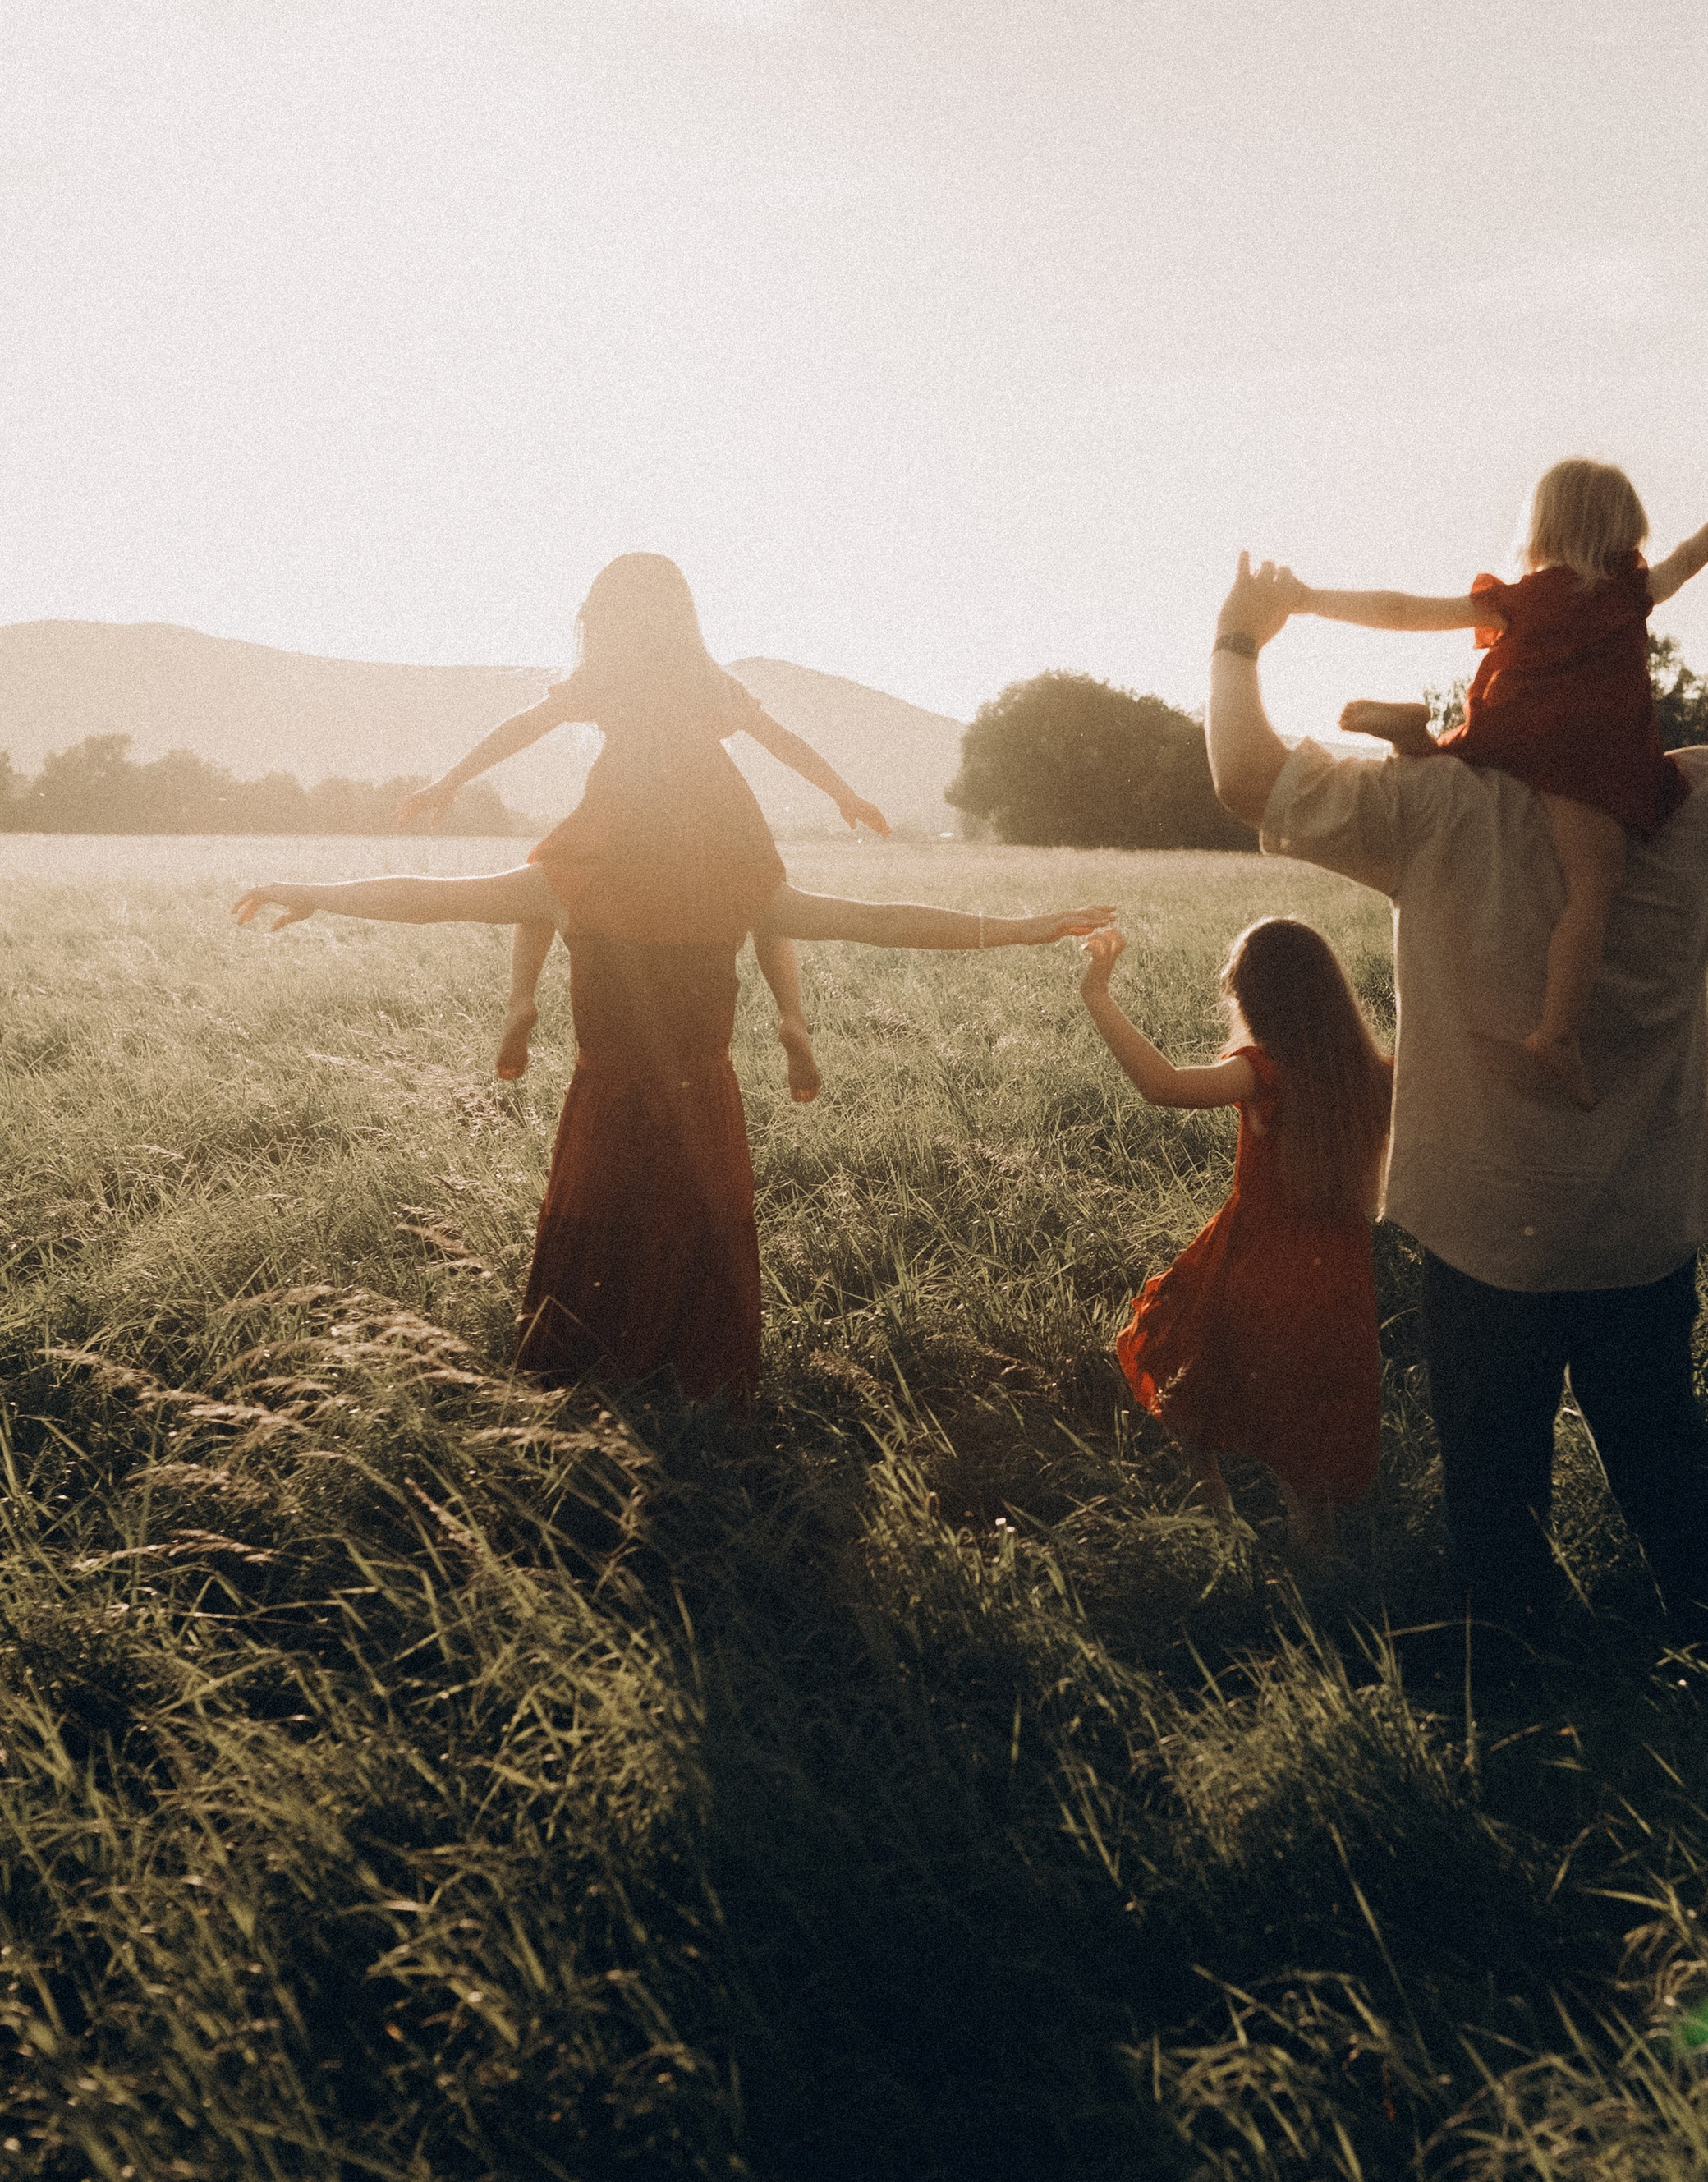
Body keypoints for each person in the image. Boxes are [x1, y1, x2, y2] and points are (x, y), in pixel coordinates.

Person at [1205, 503, 1708, 1664]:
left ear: (1504, 659)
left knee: (1492, 1491)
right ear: (1633, 655)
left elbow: (1246, 775)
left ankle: (1509, 1677)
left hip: (1479, 1231)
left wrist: (1240, 642)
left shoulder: (1431, 812)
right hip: (1640, 1227)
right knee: (1665, 1466)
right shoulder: (1687, 805)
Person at [235, 852, 1109, 1411]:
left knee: (604, 1231)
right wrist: (1024, 929)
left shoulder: (579, 875)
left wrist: (319, 892)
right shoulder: (717, 877)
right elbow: (877, 919)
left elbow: (438, 898)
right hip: (696, 1089)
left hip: (613, 1090)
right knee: (694, 1230)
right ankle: (686, 1392)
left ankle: (594, 1390)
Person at [1277, 460, 1708, 1107]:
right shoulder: (1629, 589)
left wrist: (1312, 600)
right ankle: (1557, 1033)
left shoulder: (1518, 600)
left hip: (1509, 735)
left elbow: (1404, 610)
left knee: (1456, 770)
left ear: (1541, 527)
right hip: (1584, 758)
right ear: (1627, 530)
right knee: (1593, 889)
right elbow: (1683, 562)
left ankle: (1413, 737)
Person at [397, 552, 892, 1099]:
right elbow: (783, 742)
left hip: (625, 803)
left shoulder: (605, 676)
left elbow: (523, 728)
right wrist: (845, 794)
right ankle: (792, 1018)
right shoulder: (710, 679)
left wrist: (450, 781)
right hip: (715, 812)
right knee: (759, 897)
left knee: (552, 879)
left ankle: (522, 1000)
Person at [1077, 917, 1390, 1555]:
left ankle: (1218, 1520)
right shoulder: (1377, 1073)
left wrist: (1097, 996)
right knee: (1304, 1423)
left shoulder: (1262, 1073)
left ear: (1253, 999)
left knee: (1179, 1369)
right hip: (1338, 1276)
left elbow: (1162, 1085)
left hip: (1253, 1262)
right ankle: (1319, 1564)